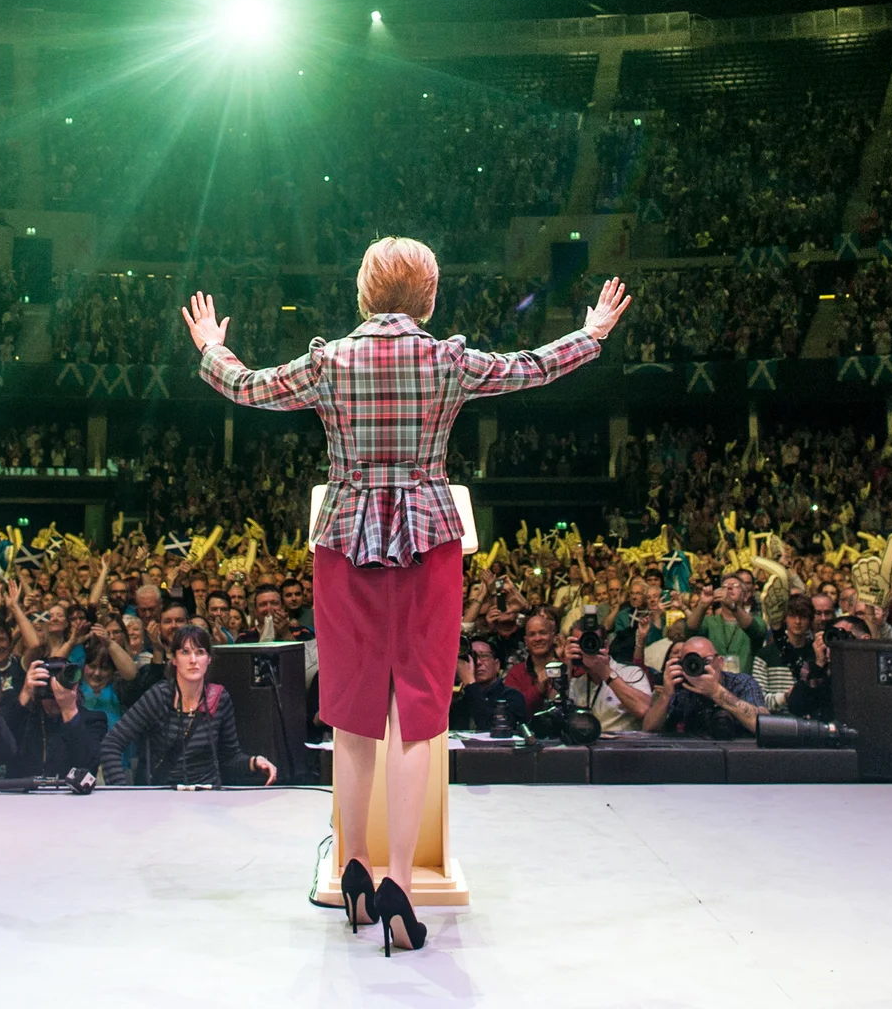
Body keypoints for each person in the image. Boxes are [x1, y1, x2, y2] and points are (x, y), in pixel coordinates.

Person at [188, 239, 630, 954]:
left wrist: (212, 347)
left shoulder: (331, 361)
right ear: (427, 297)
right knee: (417, 715)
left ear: (364, 293)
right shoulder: (446, 360)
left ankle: (353, 869)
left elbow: (250, 388)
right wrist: (593, 333)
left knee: (355, 716)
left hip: (346, 540)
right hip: (427, 538)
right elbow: (532, 369)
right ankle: (398, 883)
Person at [100, 622, 278, 786]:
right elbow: (111, 744)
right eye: (185, 652)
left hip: (207, 800)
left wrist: (254, 762)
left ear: (209, 659)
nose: (193, 660)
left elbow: (229, 758)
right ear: (174, 659)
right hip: (162, 802)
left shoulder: (219, 698)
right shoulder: (159, 696)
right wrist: (121, 793)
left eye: (200, 652)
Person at [640, 635, 763, 737]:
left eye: (706, 661)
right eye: (692, 662)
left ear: (720, 662)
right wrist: (666, 696)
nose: (700, 667)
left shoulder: (742, 683)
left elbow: (764, 726)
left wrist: (716, 692)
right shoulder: (680, 687)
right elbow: (649, 729)